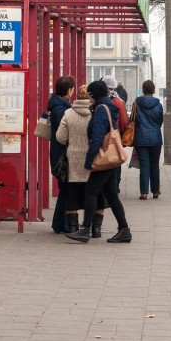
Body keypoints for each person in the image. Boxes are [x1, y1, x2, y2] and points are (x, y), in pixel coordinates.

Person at [65, 80, 132, 244]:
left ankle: (85, 229)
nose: (88, 96)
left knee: (90, 191)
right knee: (111, 195)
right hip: (110, 158)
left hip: (103, 158)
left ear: (93, 94)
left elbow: (97, 137)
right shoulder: (106, 106)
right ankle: (124, 230)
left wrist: (89, 160)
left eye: (90, 94)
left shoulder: (101, 109)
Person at [56, 84, 109, 237]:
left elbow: (60, 137)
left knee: (72, 194)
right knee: (98, 194)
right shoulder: (97, 113)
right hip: (95, 159)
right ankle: (96, 229)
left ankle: (73, 228)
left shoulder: (68, 113)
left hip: (74, 159)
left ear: (77, 96)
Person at [48, 75, 76, 233]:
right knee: (66, 188)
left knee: (65, 188)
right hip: (62, 154)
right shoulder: (62, 109)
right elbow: (63, 134)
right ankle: (61, 224)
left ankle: (60, 223)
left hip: (58, 152)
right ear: (68, 90)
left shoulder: (57, 105)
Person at [132, 80, 164, 200]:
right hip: (155, 138)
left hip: (140, 138)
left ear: (143, 90)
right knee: (154, 165)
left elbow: (133, 119)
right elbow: (160, 120)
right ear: (154, 90)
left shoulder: (137, 103)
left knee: (144, 165)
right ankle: (155, 191)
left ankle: (144, 193)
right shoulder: (158, 105)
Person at [102, 75, 129, 193]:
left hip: (102, 135)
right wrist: (122, 134)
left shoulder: (99, 100)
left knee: (103, 160)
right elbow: (123, 121)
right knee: (116, 160)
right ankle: (115, 185)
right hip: (115, 134)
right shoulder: (118, 102)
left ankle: (104, 184)